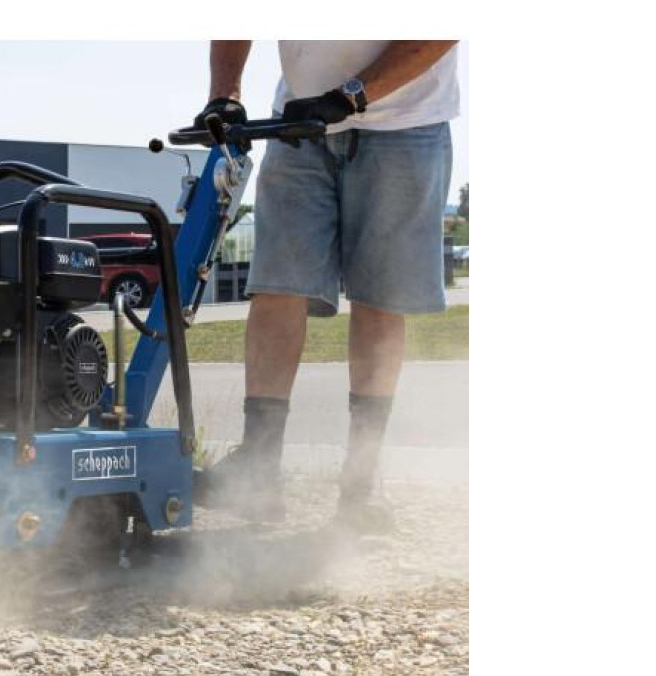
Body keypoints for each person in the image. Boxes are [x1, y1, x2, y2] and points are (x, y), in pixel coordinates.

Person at [192, 41, 459, 530]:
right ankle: (258, 469)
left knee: (379, 299)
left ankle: (362, 484)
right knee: (277, 285)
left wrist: (353, 94)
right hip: (297, 124)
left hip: (403, 123)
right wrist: (224, 94)